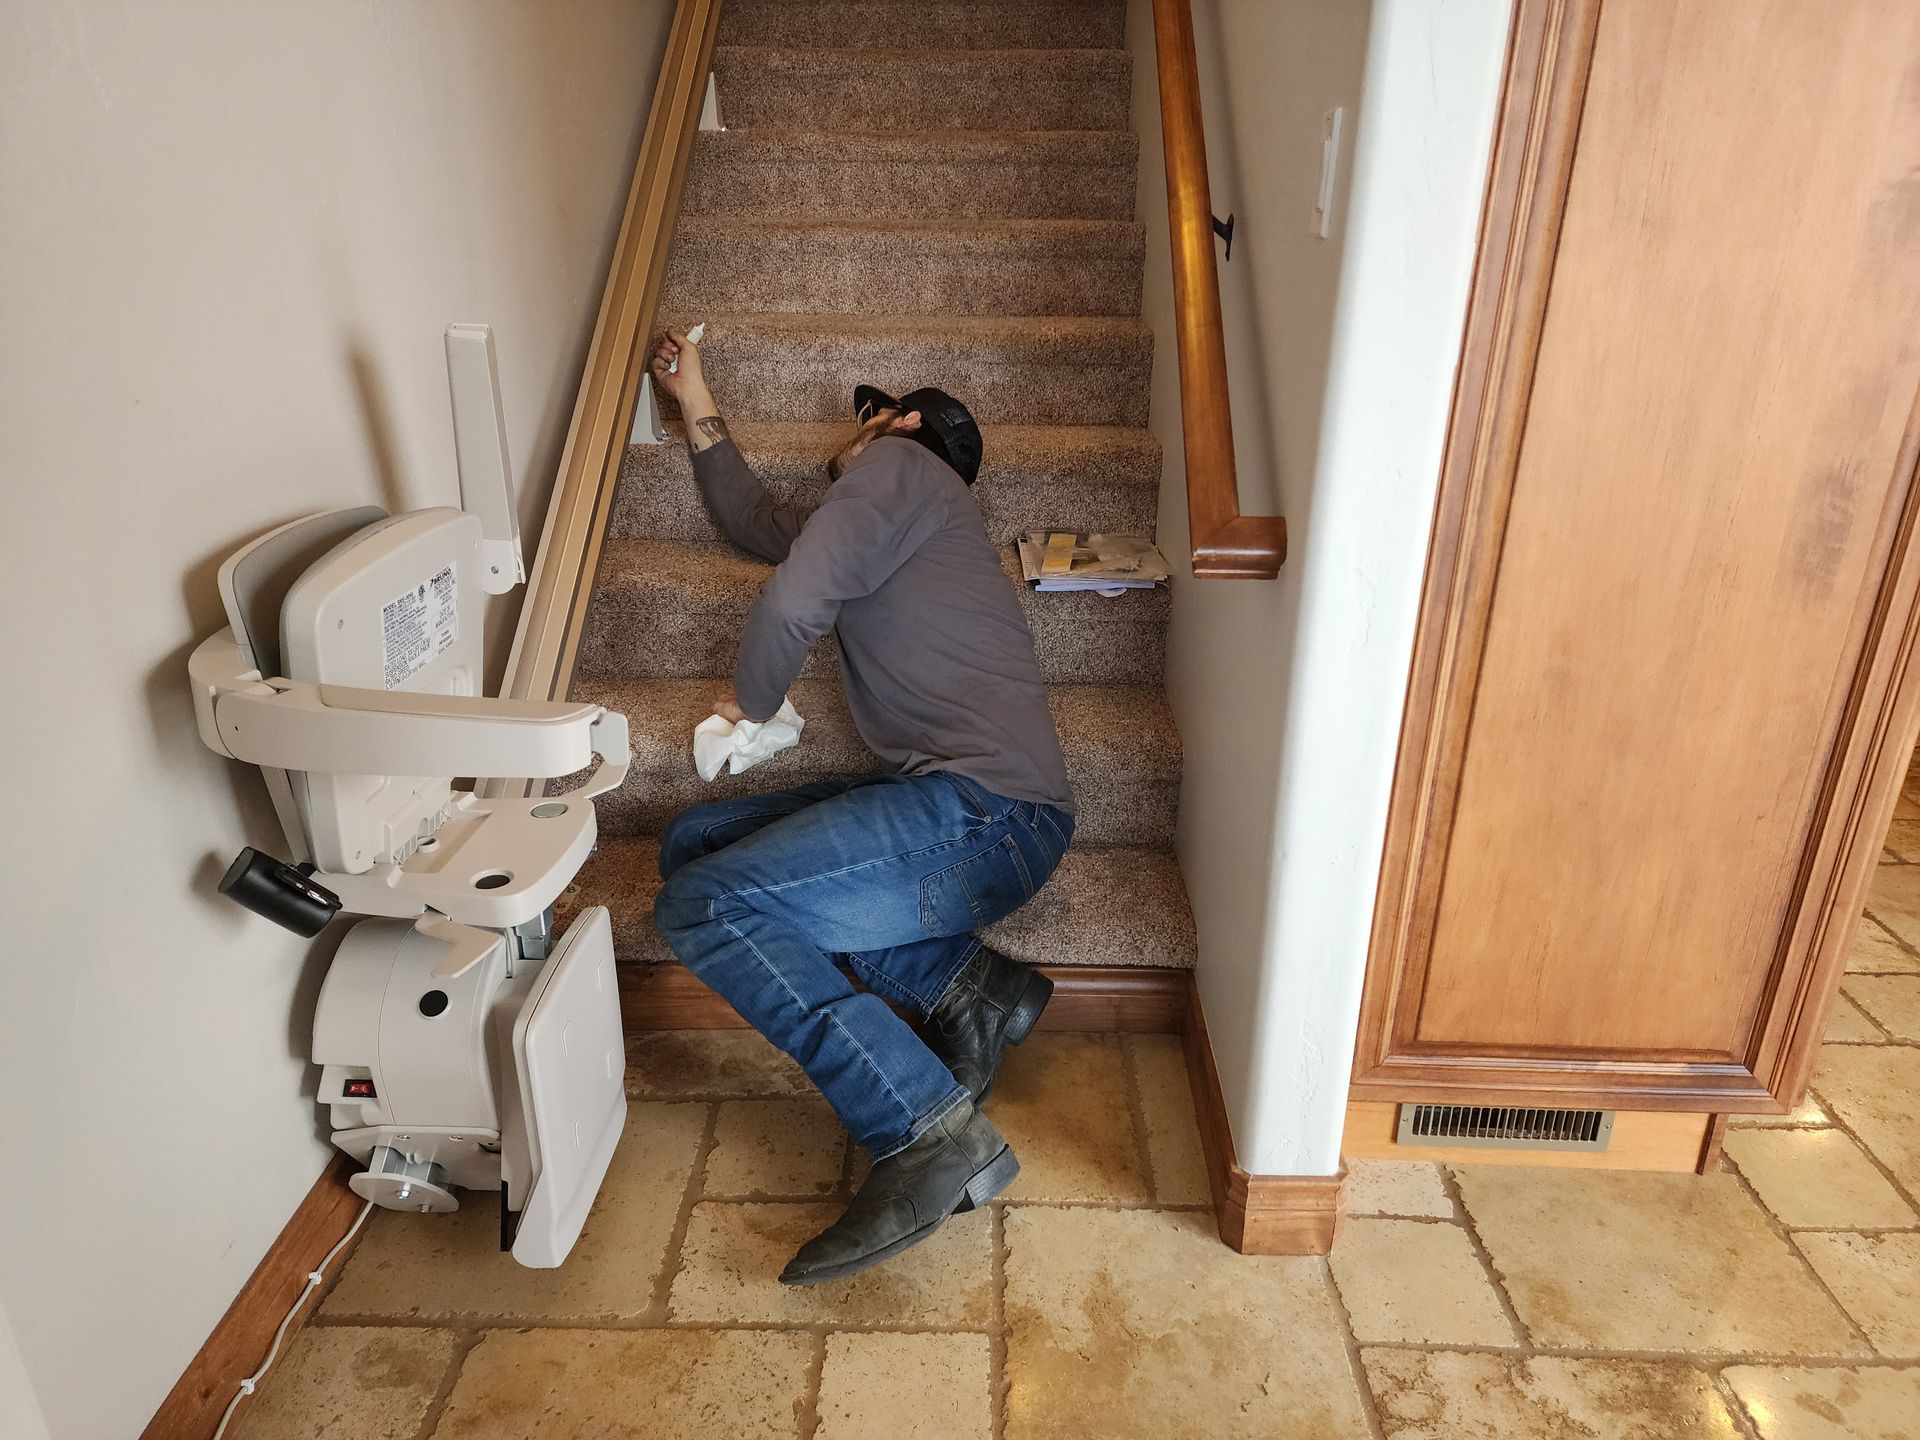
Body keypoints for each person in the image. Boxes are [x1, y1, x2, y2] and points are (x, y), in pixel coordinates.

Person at [646, 328, 1075, 1284]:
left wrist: (752, 703)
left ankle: (922, 1129)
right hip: (967, 808)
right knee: (696, 840)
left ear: (904, 425)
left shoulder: (902, 470)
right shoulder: (889, 511)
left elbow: (795, 597)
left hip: (983, 812)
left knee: (704, 904)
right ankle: (968, 988)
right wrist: (693, 395)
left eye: (869, 418)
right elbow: (755, 522)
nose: (855, 435)